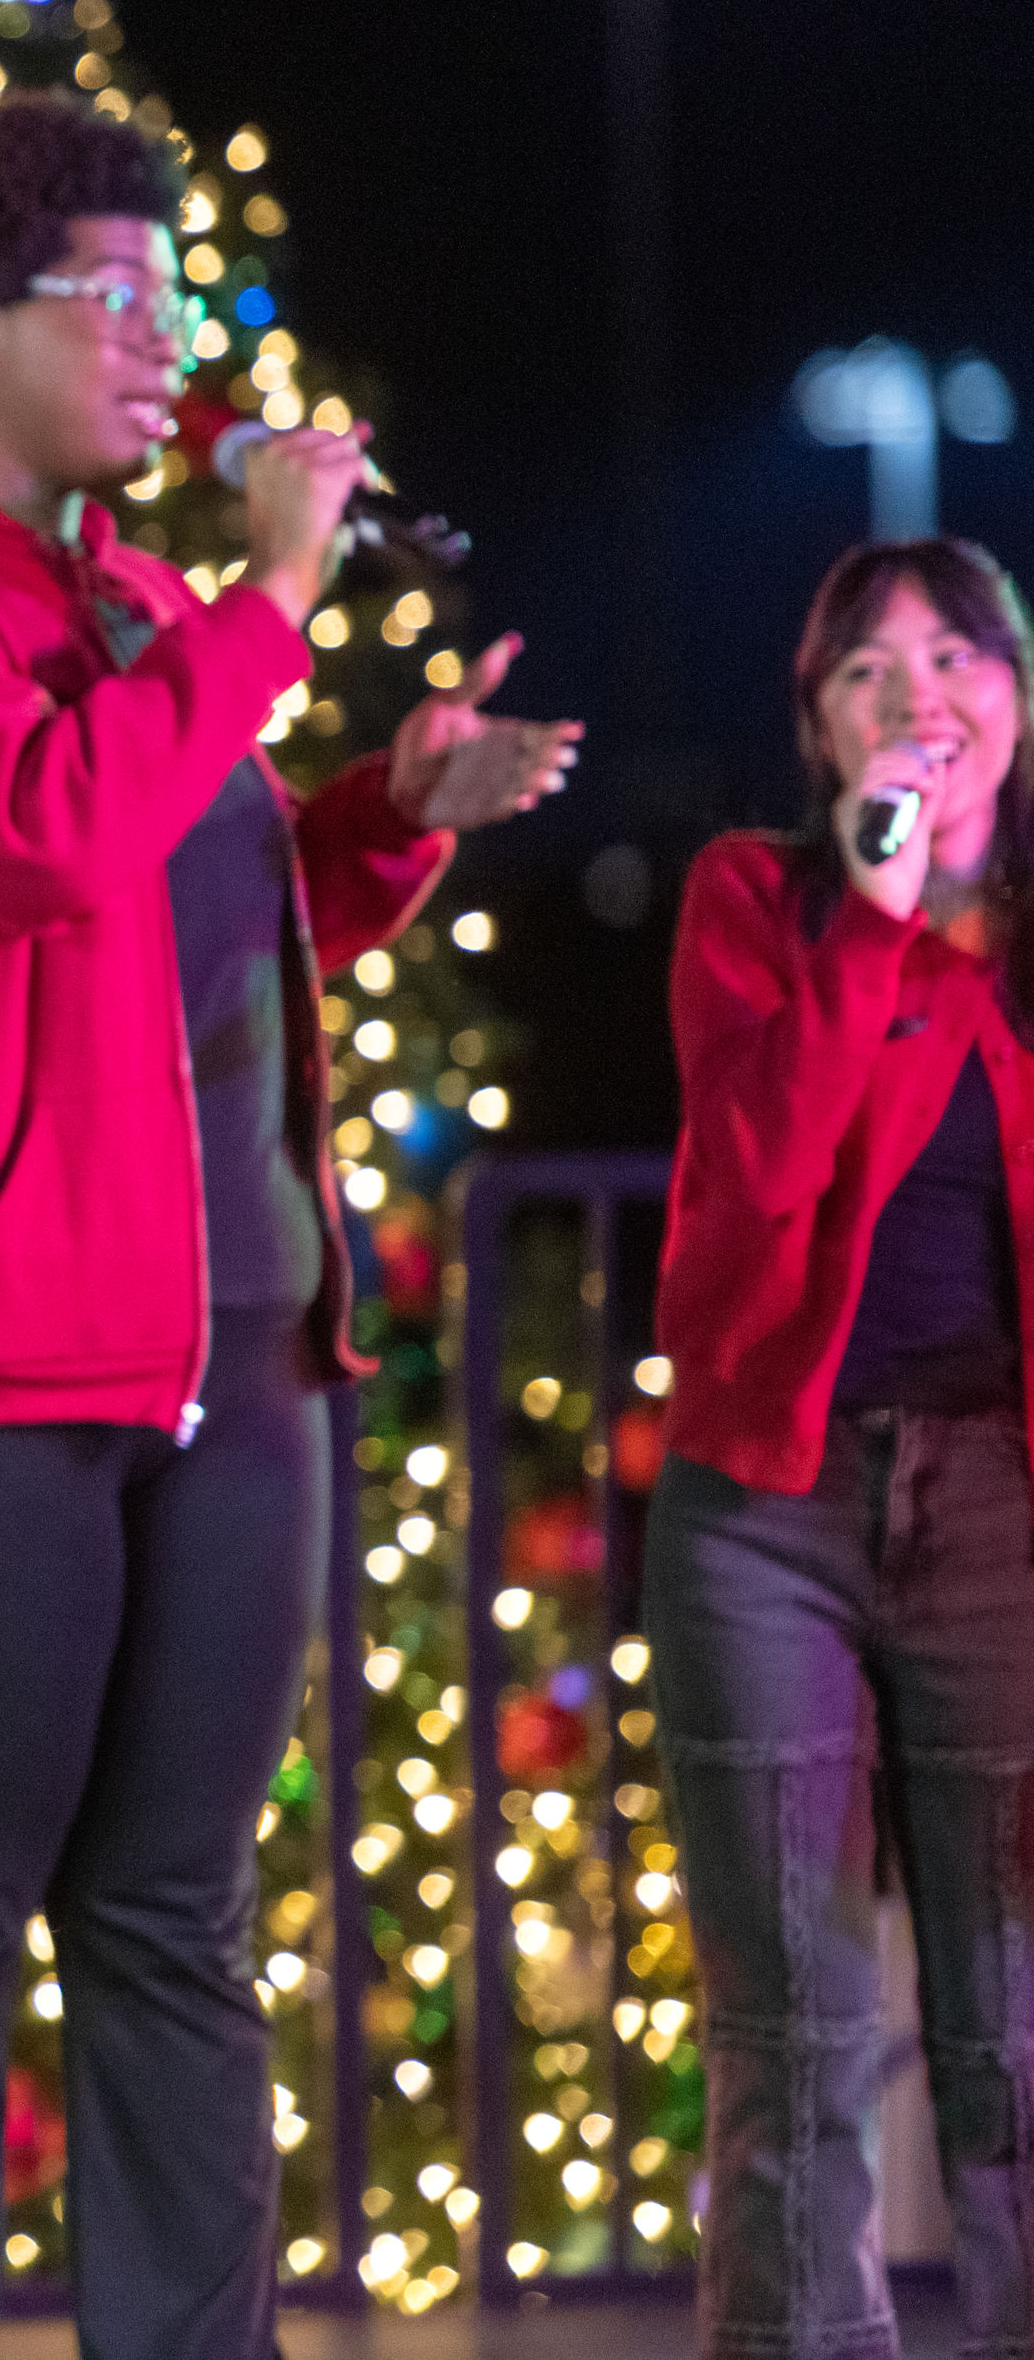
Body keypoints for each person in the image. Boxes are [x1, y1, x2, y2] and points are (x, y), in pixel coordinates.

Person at [0, 97, 575, 2360]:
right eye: (112, 297)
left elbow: (206, 881)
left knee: (177, 1927)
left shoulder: (138, 610)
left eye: (166, 296)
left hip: (226, 1359)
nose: (162, 343)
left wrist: (389, 812)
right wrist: (278, 600)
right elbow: (36, 834)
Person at [650, 536, 1034, 2352]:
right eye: (866, 674)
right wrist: (874, 924)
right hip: (766, 1508)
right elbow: (757, 1176)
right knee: (793, 2030)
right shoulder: (756, 903)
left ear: (1019, 703)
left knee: (1010, 2021)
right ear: (818, 733)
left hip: (1003, 1510)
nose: (917, 700)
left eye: (956, 658)